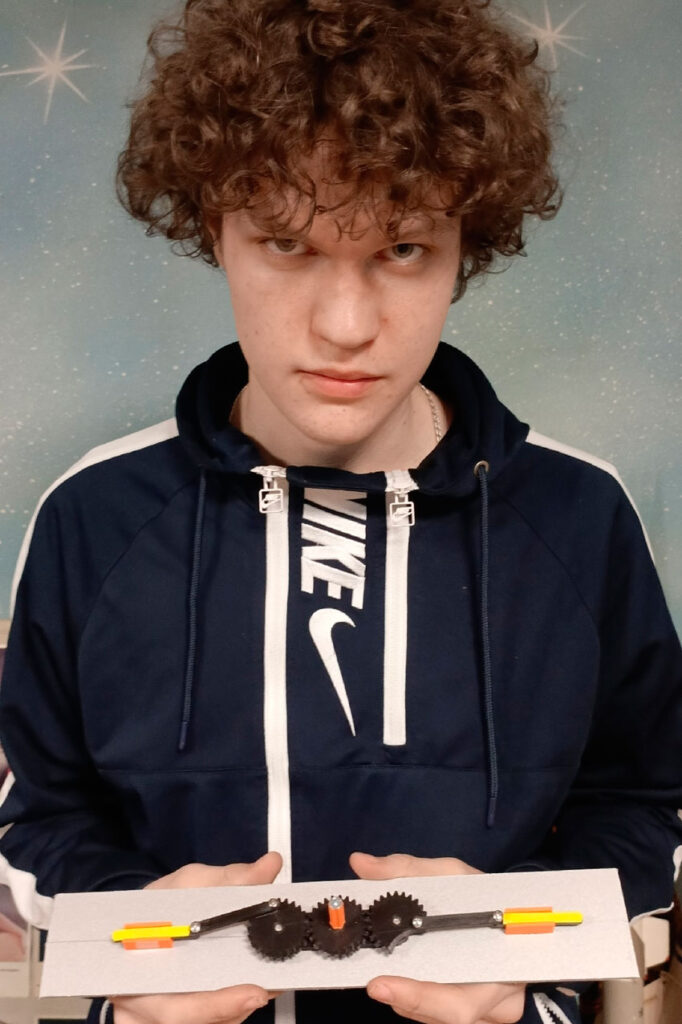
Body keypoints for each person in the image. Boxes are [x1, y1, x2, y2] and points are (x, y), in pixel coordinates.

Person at [0, 1, 681, 1022]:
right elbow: (38, 819)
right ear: (213, 228)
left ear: (466, 243)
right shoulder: (92, 516)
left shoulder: (580, 515)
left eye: (403, 249)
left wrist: (512, 944)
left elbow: (643, 806)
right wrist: (142, 934)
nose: (347, 324)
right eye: (286, 242)